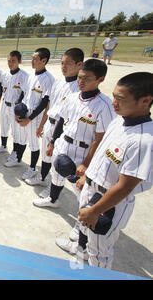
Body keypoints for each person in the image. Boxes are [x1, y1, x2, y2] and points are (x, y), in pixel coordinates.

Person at [64, 72, 152, 269]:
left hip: (109, 203)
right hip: (92, 188)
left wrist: (95, 210)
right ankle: (81, 255)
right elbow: (103, 152)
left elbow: (125, 186)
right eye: (113, 96)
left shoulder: (143, 140)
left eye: (120, 99)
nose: (114, 103)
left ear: (145, 101)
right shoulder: (120, 120)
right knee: (86, 237)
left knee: (100, 252)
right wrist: (87, 175)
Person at [33, 59, 116, 243]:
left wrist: (87, 164)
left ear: (100, 79)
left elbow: (100, 138)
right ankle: (53, 199)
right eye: (79, 77)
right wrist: (53, 143)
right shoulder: (73, 97)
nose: (81, 81)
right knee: (56, 174)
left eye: (87, 78)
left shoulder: (104, 105)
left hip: (83, 151)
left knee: (82, 190)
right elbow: (61, 122)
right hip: (64, 144)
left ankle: (82, 222)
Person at [26, 48, 83, 188]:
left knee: (58, 161)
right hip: (49, 124)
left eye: (68, 63)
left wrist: (54, 140)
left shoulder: (78, 88)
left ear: (79, 64)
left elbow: (68, 117)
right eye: (62, 63)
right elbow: (49, 106)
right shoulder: (58, 82)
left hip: (62, 128)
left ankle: (54, 193)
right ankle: (42, 177)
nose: (64, 67)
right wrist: (41, 126)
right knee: (46, 157)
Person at [14, 48, 55, 182]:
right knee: (21, 137)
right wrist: (17, 109)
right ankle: (17, 158)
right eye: (32, 58)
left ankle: (32, 168)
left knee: (33, 143)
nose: (32, 61)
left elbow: (44, 103)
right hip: (24, 111)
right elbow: (23, 93)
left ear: (44, 60)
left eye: (35, 59)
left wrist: (29, 119)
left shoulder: (48, 79)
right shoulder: (31, 75)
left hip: (34, 115)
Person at [0, 51, 30, 161]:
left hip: (15, 107)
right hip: (4, 104)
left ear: (19, 61)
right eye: (9, 61)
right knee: (3, 126)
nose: (10, 63)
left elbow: (24, 93)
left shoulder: (24, 76)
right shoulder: (5, 74)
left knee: (15, 131)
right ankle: (3, 145)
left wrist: (18, 109)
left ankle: (15, 151)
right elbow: (2, 88)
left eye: (13, 61)